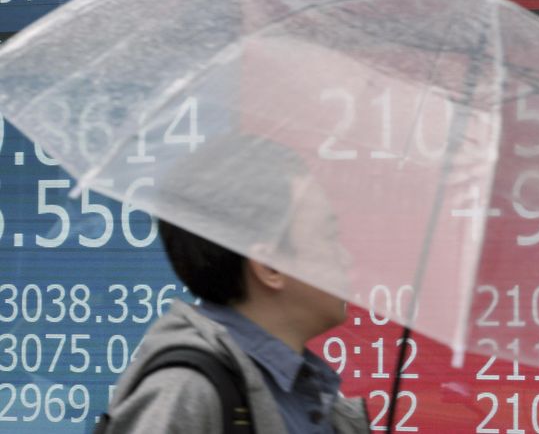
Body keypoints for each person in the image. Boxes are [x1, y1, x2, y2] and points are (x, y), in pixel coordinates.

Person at [99, 136, 369, 433]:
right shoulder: (187, 392)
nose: (345, 258)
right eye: (330, 237)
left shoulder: (313, 399)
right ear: (270, 267)